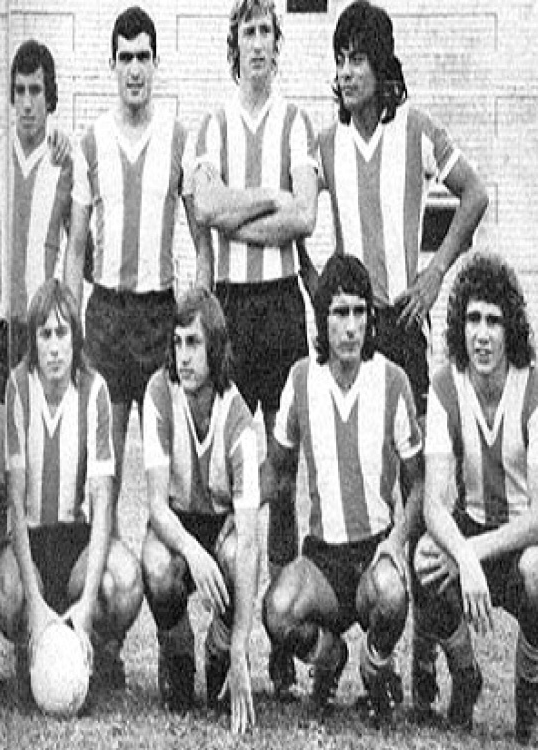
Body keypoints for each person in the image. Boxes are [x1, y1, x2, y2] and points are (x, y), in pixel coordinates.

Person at [317, 0, 490, 706]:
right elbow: (296, 217)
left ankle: (423, 665)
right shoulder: (324, 143)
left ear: (382, 65)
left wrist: (436, 270)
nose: (347, 71)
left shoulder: (416, 130)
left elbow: (475, 194)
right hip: (351, 332)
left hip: (402, 327)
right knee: (356, 488)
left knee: (416, 497)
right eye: (340, 59)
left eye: (358, 58)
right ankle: (363, 653)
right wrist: (314, 286)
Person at [190, 0, 318, 700]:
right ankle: (225, 633)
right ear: (234, 45)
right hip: (233, 308)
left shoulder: (296, 121)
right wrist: (269, 198)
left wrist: (240, 213)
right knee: (232, 476)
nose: (260, 42)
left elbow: (306, 215)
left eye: (268, 31)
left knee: (283, 480)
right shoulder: (213, 123)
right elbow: (204, 207)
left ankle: (282, 644)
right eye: (249, 32)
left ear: (277, 43)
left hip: (282, 307)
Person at [262, 254, 423, 726]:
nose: (350, 327)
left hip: (374, 552)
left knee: (390, 593)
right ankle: (329, 658)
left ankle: (376, 665)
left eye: (358, 312)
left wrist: (396, 542)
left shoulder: (392, 380)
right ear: (322, 318)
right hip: (324, 561)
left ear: (371, 319)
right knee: (277, 611)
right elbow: (277, 470)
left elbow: (418, 485)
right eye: (339, 313)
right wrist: (238, 506)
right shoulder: (300, 379)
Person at [64, 5, 200, 535]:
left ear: (156, 63)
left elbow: (202, 239)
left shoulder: (178, 138)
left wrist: (199, 303)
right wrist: (71, 323)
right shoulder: (92, 141)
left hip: (159, 314)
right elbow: (76, 246)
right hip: (106, 314)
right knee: (107, 465)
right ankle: (108, 565)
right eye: (126, 58)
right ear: (113, 65)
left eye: (144, 57)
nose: (135, 69)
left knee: (171, 461)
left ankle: (165, 564)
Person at [413, 253, 538, 745]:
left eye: (494, 321)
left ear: (510, 327)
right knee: (426, 557)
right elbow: (434, 505)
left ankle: (527, 690)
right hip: (469, 524)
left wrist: (470, 555)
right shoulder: (444, 387)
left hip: (515, 542)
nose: (482, 334)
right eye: (473, 319)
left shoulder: (536, 390)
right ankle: (465, 674)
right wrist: (461, 551)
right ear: (460, 325)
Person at [0, 279, 143, 700]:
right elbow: (15, 503)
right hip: (32, 540)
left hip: (75, 543)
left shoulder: (95, 390)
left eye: (62, 333)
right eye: (45, 334)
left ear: (75, 338)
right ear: (33, 341)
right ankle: (30, 643)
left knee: (126, 581)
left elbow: (102, 502)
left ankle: (94, 644)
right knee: (8, 595)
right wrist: (35, 600)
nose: (55, 347)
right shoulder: (18, 386)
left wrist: (89, 600)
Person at [140, 288, 259, 730]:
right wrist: (192, 551)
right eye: (178, 343)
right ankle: (177, 653)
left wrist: (241, 643)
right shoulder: (159, 392)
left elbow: (250, 543)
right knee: (156, 565)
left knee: (234, 554)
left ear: (216, 347)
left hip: (222, 528)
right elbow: (156, 506)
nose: (184, 356)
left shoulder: (239, 419)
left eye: (194, 343)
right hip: (176, 524)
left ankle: (221, 648)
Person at [0, 38, 74, 561]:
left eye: (36, 90)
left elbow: (80, 248)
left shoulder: (66, 162)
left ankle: (39, 570)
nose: (27, 102)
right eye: (19, 91)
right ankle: (0, 579)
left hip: (42, 337)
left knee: (36, 466)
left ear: (50, 96)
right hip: (0, 332)